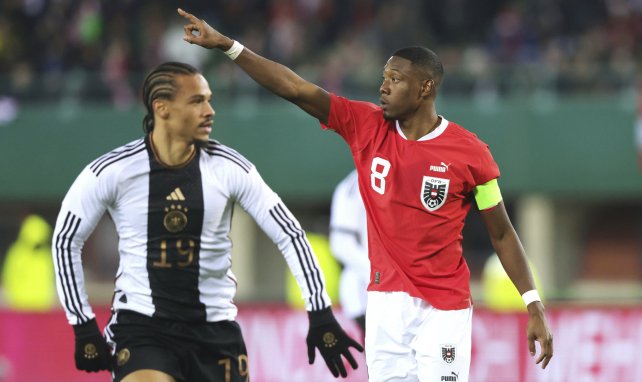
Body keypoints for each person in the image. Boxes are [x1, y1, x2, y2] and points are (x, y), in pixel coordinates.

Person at [177, 8, 554, 382]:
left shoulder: (471, 154)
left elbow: (502, 233)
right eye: (383, 77)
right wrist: (228, 46)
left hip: (444, 309)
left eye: (396, 79)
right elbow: (295, 88)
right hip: (384, 306)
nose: (383, 87)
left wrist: (532, 304)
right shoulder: (365, 125)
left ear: (425, 88)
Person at [51, 61, 362, 382]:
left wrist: (321, 311)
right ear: (163, 108)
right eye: (197, 101)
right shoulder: (113, 171)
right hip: (143, 328)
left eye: (209, 99)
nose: (210, 110)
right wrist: (82, 323)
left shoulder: (229, 167)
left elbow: (289, 234)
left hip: (215, 333)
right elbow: (65, 240)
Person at [329, 170, 369, 334]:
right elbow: (341, 245)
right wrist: (384, 278)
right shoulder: (355, 183)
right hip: (368, 292)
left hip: (414, 292)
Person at [2, 214, 55, 311]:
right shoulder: (17, 253)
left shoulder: (45, 254)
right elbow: (8, 275)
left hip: (41, 306)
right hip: (20, 305)